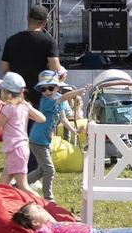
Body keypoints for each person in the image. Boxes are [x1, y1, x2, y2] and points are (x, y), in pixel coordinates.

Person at [27, 71, 91, 201]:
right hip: (37, 140)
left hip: (45, 140)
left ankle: (18, 185)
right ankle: (48, 198)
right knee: (49, 170)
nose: (47, 91)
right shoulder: (46, 101)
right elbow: (63, 98)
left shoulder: (59, 101)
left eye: (51, 88)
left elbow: (63, 118)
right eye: (43, 89)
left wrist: (74, 131)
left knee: (42, 170)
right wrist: (79, 91)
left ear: (57, 87)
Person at [0, 5, 64, 107]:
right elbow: (55, 68)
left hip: (17, 93)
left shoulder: (11, 40)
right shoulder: (49, 41)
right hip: (41, 92)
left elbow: (4, 69)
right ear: (45, 22)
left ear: (27, 19)